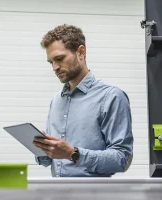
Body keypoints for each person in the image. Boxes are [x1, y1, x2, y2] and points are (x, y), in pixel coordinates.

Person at [32, 24, 134, 177]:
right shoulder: (56, 101)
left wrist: (73, 154)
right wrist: (43, 148)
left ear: (81, 52)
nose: (54, 67)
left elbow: (122, 159)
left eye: (59, 59)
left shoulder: (111, 96)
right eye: (50, 62)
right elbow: (49, 161)